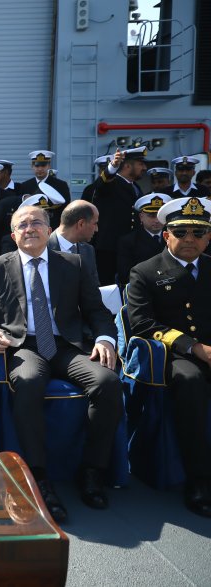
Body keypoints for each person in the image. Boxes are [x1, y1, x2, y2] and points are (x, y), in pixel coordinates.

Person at [0, 205, 121, 524]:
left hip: (67, 345)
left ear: (49, 230)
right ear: (13, 235)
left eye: (37, 222)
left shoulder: (73, 263)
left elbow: (96, 310)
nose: (30, 228)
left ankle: (92, 470)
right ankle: (38, 477)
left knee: (107, 382)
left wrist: (106, 339)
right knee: (28, 382)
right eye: (22, 225)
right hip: (24, 346)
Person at [127, 196, 211, 518]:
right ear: (166, 235)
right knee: (190, 381)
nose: (190, 239)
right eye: (181, 232)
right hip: (174, 355)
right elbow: (142, 323)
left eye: (198, 232)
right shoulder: (145, 271)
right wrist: (195, 347)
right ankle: (198, 479)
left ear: (208, 237)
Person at [89, 146, 147, 285]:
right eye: (140, 164)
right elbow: (100, 185)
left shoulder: (136, 187)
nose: (144, 168)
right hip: (109, 248)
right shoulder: (112, 183)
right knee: (108, 286)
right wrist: (112, 167)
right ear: (127, 166)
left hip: (129, 246)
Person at [116, 193, 170, 288]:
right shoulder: (129, 241)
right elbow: (125, 275)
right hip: (143, 287)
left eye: (160, 216)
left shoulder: (175, 237)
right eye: (152, 215)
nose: (157, 220)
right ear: (141, 217)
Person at [48, 199, 101, 284]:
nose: (96, 229)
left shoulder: (88, 250)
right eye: (95, 223)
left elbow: (94, 286)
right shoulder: (42, 248)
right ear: (81, 224)